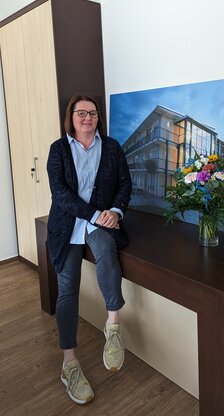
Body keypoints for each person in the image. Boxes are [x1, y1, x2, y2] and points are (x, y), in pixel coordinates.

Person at [46, 94, 132, 405]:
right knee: (67, 290)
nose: (87, 118)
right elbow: (61, 194)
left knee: (107, 253)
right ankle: (69, 363)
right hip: (68, 225)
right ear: (71, 117)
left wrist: (115, 211)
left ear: (98, 118)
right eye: (81, 112)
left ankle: (113, 329)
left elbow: (125, 184)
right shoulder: (59, 150)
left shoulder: (111, 147)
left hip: (100, 222)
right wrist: (96, 214)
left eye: (92, 113)